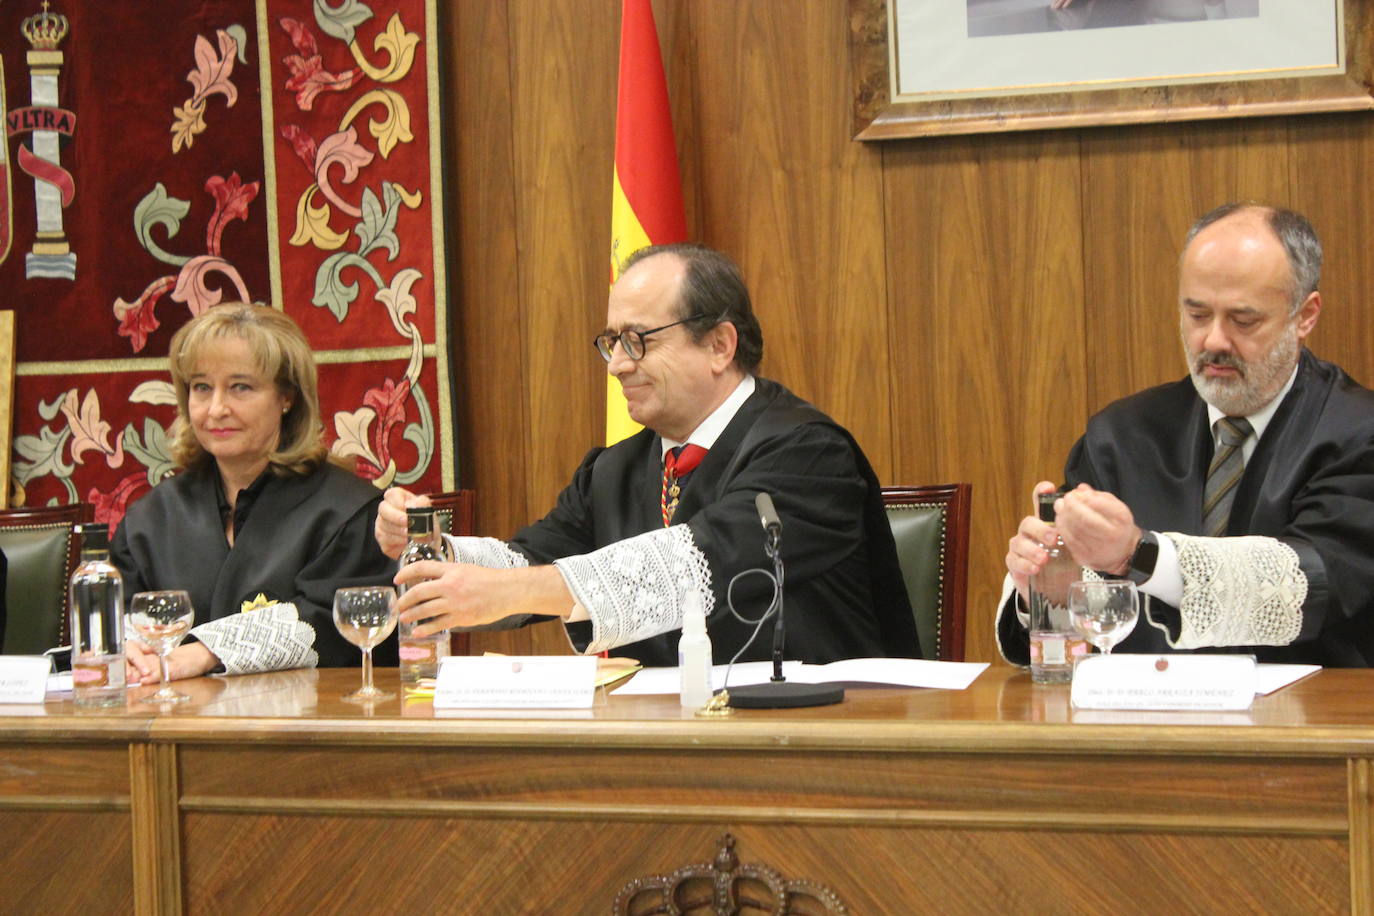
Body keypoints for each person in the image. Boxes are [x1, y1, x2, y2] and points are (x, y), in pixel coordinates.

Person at [377, 243, 918, 666]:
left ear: (720, 345)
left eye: (638, 340)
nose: (616, 365)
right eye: (611, 342)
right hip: (664, 744)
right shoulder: (615, 469)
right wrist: (434, 551)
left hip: (820, 743)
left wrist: (511, 589)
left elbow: (701, 561)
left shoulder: (808, 451)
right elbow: (532, 560)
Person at [999, 203, 1374, 666]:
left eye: (1243, 319)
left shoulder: (1360, 434)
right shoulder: (1122, 434)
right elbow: (1087, 631)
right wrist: (1051, 590)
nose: (1213, 341)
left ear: (1305, 315)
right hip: (1144, 730)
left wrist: (1139, 555)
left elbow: (1308, 582)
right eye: (1197, 315)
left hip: (1313, 725)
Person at [113, 303, 396, 682]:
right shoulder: (148, 520)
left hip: (308, 730)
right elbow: (115, 624)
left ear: (287, 397)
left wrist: (206, 652)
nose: (216, 409)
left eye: (240, 387)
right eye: (201, 387)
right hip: (173, 727)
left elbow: (336, 623)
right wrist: (127, 650)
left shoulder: (348, 512)